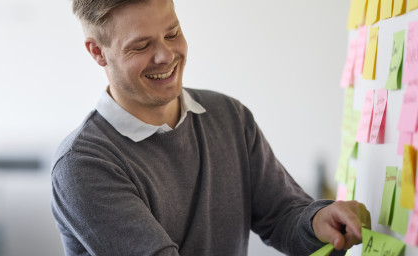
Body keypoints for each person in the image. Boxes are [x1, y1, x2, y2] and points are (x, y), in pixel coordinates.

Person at [50, 0, 371, 255]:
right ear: (97, 52)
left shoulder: (229, 116)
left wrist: (316, 222)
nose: (165, 55)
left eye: (172, 33)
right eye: (141, 45)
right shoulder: (83, 164)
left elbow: (282, 215)